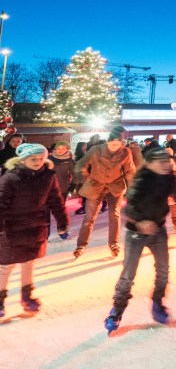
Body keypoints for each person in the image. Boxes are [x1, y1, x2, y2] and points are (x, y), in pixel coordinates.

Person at [104, 145, 176, 334]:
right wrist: (141, 221)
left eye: (167, 161)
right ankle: (117, 311)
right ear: (150, 164)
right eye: (161, 162)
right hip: (136, 233)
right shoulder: (140, 181)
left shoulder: (169, 179)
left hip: (158, 231)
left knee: (163, 270)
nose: (166, 165)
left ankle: (157, 303)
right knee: (128, 274)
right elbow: (129, 208)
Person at [0, 144, 69, 318]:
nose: (38, 162)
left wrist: (62, 220)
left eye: (40, 158)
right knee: (5, 266)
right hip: (11, 228)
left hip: (35, 226)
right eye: (33, 159)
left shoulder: (48, 176)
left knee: (28, 263)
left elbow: (55, 199)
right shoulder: (11, 178)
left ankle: (26, 296)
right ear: (23, 160)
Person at [73, 125, 139, 260]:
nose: (116, 147)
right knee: (90, 217)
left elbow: (130, 171)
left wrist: (132, 189)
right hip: (95, 185)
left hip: (115, 187)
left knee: (114, 215)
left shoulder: (125, 152)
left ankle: (114, 244)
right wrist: (85, 177)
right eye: (113, 144)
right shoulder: (96, 150)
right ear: (108, 142)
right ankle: (81, 245)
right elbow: (81, 164)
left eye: (119, 144)